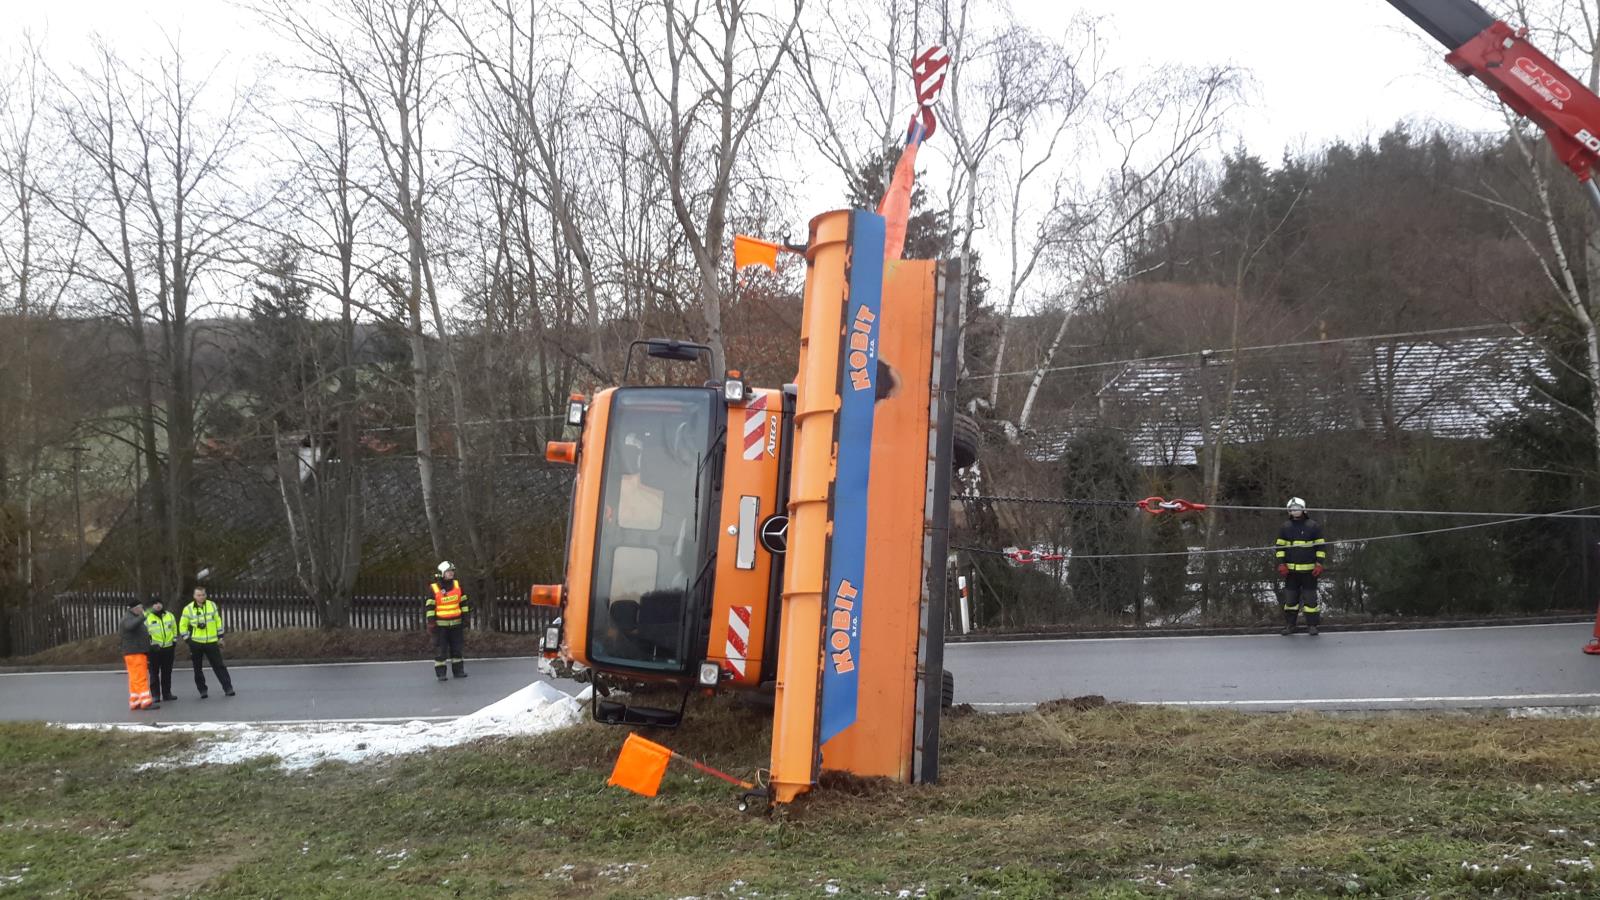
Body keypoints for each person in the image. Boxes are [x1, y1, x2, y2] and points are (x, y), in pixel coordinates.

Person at [1275, 497, 1327, 636]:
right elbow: (1280, 548)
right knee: (1290, 600)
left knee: (1310, 600)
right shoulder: (1285, 527)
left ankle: (1312, 625)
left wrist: (1319, 563)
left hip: (1310, 572)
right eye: (1292, 509)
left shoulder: (1313, 526)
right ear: (1289, 511)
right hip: (1291, 573)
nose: (1295, 511)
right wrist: (1281, 563)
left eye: (1297, 508)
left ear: (1304, 509)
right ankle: (1290, 625)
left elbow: (1320, 547)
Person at [180, 584, 234, 698]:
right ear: (194, 596)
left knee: (219, 666)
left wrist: (220, 637)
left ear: (206, 595)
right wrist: (188, 640)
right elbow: (182, 625)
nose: (201, 597)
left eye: (203, 594)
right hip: (196, 642)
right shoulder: (188, 608)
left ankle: (228, 688)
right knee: (197, 668)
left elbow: (218, 621)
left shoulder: (212, 605)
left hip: (211, 641)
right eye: (199, 595)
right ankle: (202, 690)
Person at [426, 561, 471, 681]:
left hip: (456, 624)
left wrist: (466, 617)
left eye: (452, 571)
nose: (451, 573)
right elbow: (430, 607)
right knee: (441, 650)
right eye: (448, 571)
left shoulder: (457, 585)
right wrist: (431, 622)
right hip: (441, 626)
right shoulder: (434, 588)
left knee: (457, 649)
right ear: (442, 573)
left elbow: (464, 603)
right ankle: (441, 674)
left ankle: (458, 671)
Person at [119, 603, 156, 710]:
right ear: (134, 609)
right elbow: (131, 626)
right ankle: (146, 702)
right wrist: (145, 615)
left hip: (133, 652)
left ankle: (135, 701)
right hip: (135, 653)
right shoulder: (129, 619)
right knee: (141, 678)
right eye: (140, 608)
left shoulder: (130, 618)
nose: (142, 610)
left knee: (134, 679)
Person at [145, 600, 179, 703]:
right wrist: (149, 646)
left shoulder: (169, 615)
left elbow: (174, 628)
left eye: (159, 603)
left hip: (168, 648)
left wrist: (174, 641)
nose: (158, 605)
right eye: (155, 603)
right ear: (152, 606)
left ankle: (167, 693)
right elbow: (143, 633)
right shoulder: (147, 617)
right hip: (154, 650)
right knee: (154, 673)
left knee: (167, 672)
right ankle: (155, 695)